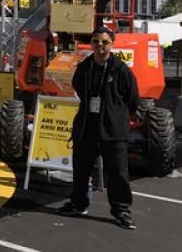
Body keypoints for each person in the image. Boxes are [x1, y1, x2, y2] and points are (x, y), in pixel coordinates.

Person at [58, 26, 139, 230]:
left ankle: (121, 211)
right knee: (81, 169)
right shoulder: (85, 67)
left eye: (104, 42)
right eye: (96, 42)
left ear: (112, 44)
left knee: (118, 173)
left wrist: (115, 114)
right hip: (87, 126)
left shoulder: (121, 70)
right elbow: (78, 86)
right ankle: (78, 203)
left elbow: (133, 99)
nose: (100, 46)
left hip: (112, 130)